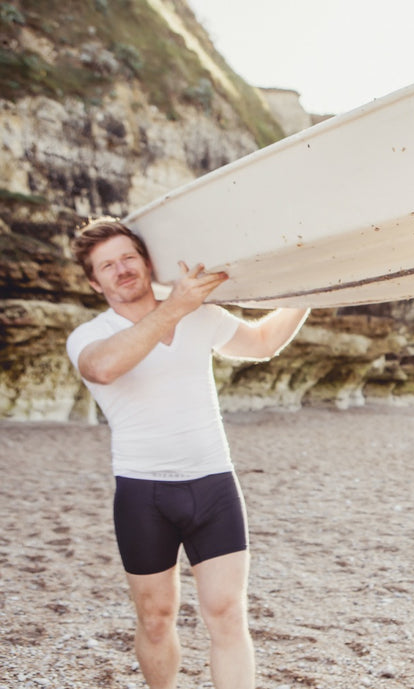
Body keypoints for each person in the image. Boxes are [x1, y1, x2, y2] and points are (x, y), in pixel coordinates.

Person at [66, 217, 309, 689]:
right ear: (95, 282)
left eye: (128, 258)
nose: (121, 270)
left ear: (146, 262)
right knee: (156, 617)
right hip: (143, 494)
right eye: (107, 266)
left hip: (213, 484)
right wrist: (174, 306)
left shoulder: (200, 315)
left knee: (226, 613)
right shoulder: (91, 336)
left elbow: (261, 343)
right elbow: (102, 369)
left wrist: (314, 292)